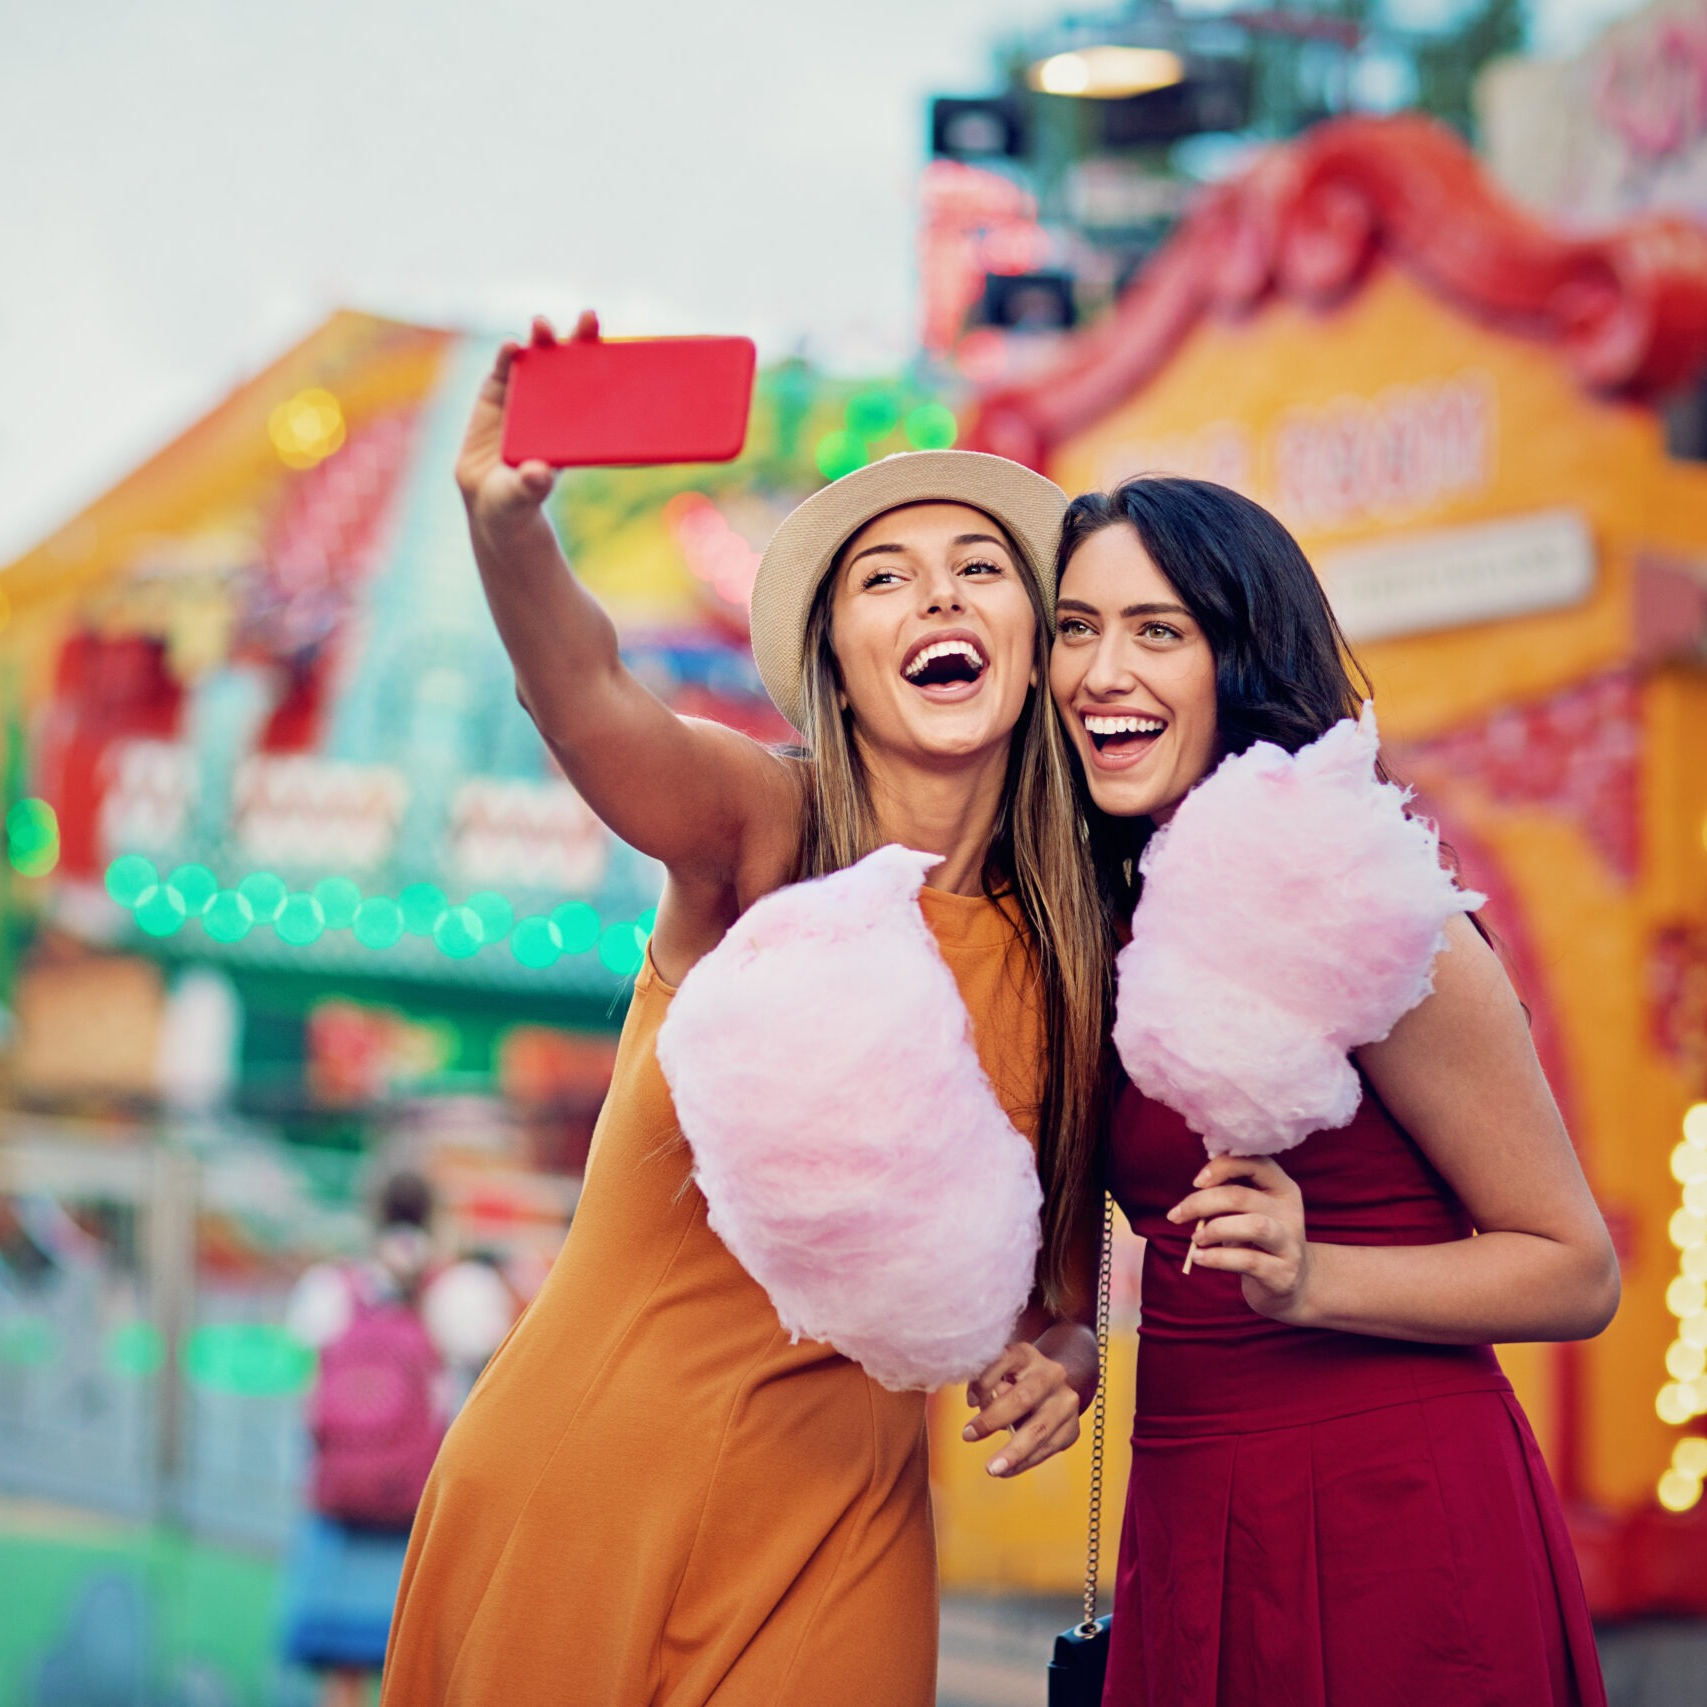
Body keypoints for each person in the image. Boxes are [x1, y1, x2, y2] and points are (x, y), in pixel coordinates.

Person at [381, 317, 1111, 1707]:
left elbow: (1057, 1285)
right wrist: (507, 531)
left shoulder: (1077, 951)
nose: (940, 598)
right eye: (887, 577)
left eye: (979, 571)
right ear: (835, 654)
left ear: (1034, 641)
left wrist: (1064, 1354)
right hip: (590, 1483)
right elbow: (587, 696)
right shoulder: (760, 827)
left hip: (845, 1526)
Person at [1048, 476, 1620, 1707]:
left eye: (1159, 630)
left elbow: (1575, 1269)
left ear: (1241, 660)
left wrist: (1317, 1277)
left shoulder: (1373, 913)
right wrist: (1053, 1332)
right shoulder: (1102, 915)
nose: (1102, 670)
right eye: (1075, 628)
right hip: (1192, 1495)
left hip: (1386, 1511)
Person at [281, 1172, 511, 1707]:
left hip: (341, 1496)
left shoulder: (331, 1286)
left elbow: (305, 1369)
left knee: (343, 1665)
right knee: (418, 1653)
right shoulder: (458, 1289)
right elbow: (488, 1352)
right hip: (419, 1500)